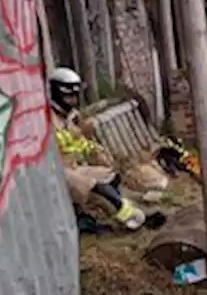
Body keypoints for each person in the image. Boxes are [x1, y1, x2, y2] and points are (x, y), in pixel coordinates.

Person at [48, 67, 148, 230]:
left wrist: (96, 150)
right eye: (68, 97)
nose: (73, 101)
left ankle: (94, 213)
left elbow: (78, 143)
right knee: (93, 185)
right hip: (56, 171)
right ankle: (125, 214)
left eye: (75, 96)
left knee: (110, 176)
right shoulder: (47, 120)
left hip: (74, 167)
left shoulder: (70, 117)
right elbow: (58, 147)